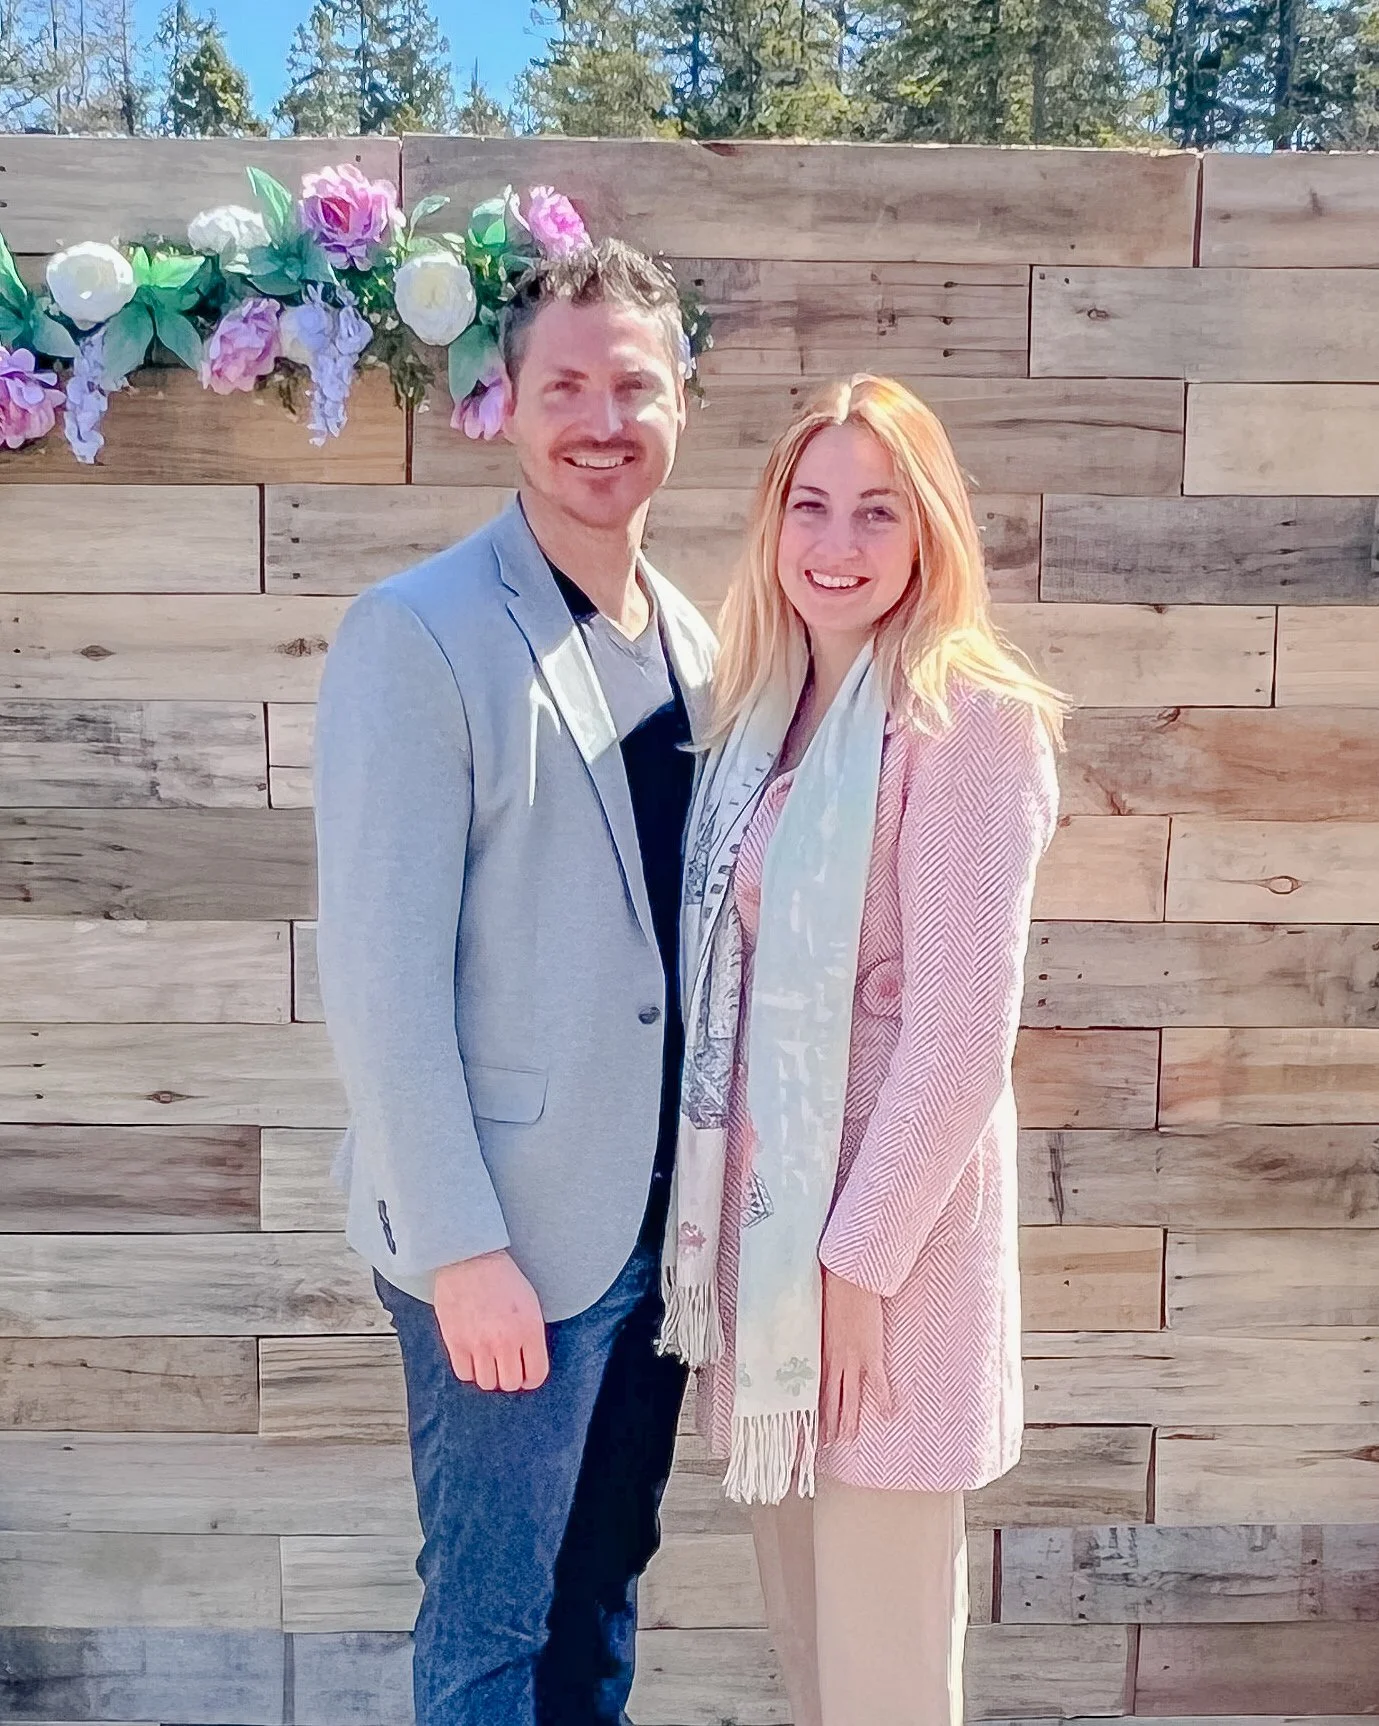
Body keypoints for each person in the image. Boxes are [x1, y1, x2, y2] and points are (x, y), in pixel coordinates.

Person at [312, 240, 717, 1726]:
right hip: (508, 1245)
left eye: (635, 384)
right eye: (567, 385)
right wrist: (464, 1246)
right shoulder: (420, 633)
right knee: (490, 1626)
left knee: (601, 1594)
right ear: (508, 402)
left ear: (681, 404)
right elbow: (378, 975)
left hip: (656, 1238)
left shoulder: (700, 644)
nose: (601, 418)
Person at [658, 374, 1064, 1726]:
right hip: (775, 1257)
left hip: (880, 1277)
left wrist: (850, 1268)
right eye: (811, 505)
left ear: (929, 530)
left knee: (884, 1678)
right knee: (811, 1654)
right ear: (775, 524)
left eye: (877, 510)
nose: (838, 541)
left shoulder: (967, 718)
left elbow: (960, 1038)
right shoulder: (764, 719)